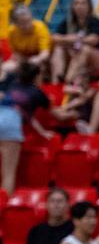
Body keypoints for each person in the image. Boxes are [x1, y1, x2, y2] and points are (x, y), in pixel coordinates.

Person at [0, 60, 53, 194]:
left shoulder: (11, 84)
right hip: (10, 123)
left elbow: (28, 116)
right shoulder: (37, 92)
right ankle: (4, 207)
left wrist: (42, 131)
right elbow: (58, 115)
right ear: (36, 77)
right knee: (8, 173)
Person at [50, 0, 99, 83]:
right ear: (72, 6)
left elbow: (94, 40)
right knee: (58, 49)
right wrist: (70, 39)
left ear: (89, 6)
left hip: (97, 60)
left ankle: (68, 80)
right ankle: (57, 81)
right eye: (76, 3)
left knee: (84, 49)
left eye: (83, 3)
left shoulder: (95, 21)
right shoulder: (67, 22)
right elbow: (54, 38)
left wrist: (76, 39)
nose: (79, 6)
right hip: (75, 59)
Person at [5, 5, 52, 72]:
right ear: (16, 24)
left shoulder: (40, 27)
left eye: (28, 21)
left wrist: (37, 59)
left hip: (39, 59)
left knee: (35, 65)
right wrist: (24, 60)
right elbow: (15, 52)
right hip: (23, 59)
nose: (27, 25)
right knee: (6, 67)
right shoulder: (11, 31)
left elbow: (45, 53)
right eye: (22, 23)